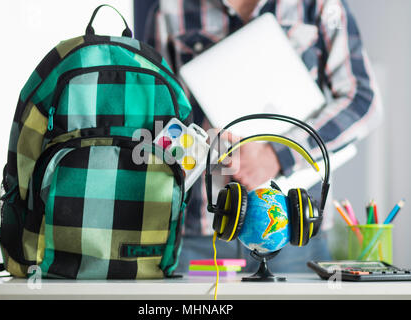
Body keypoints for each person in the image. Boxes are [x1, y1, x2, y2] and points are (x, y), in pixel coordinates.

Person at [143, 0, 382, 274]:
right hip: (201, 231)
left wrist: (277, 155)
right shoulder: (169, 9)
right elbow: (157, 112)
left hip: (294, 230)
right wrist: (206, 143)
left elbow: (362, 100)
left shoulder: (321, 6)